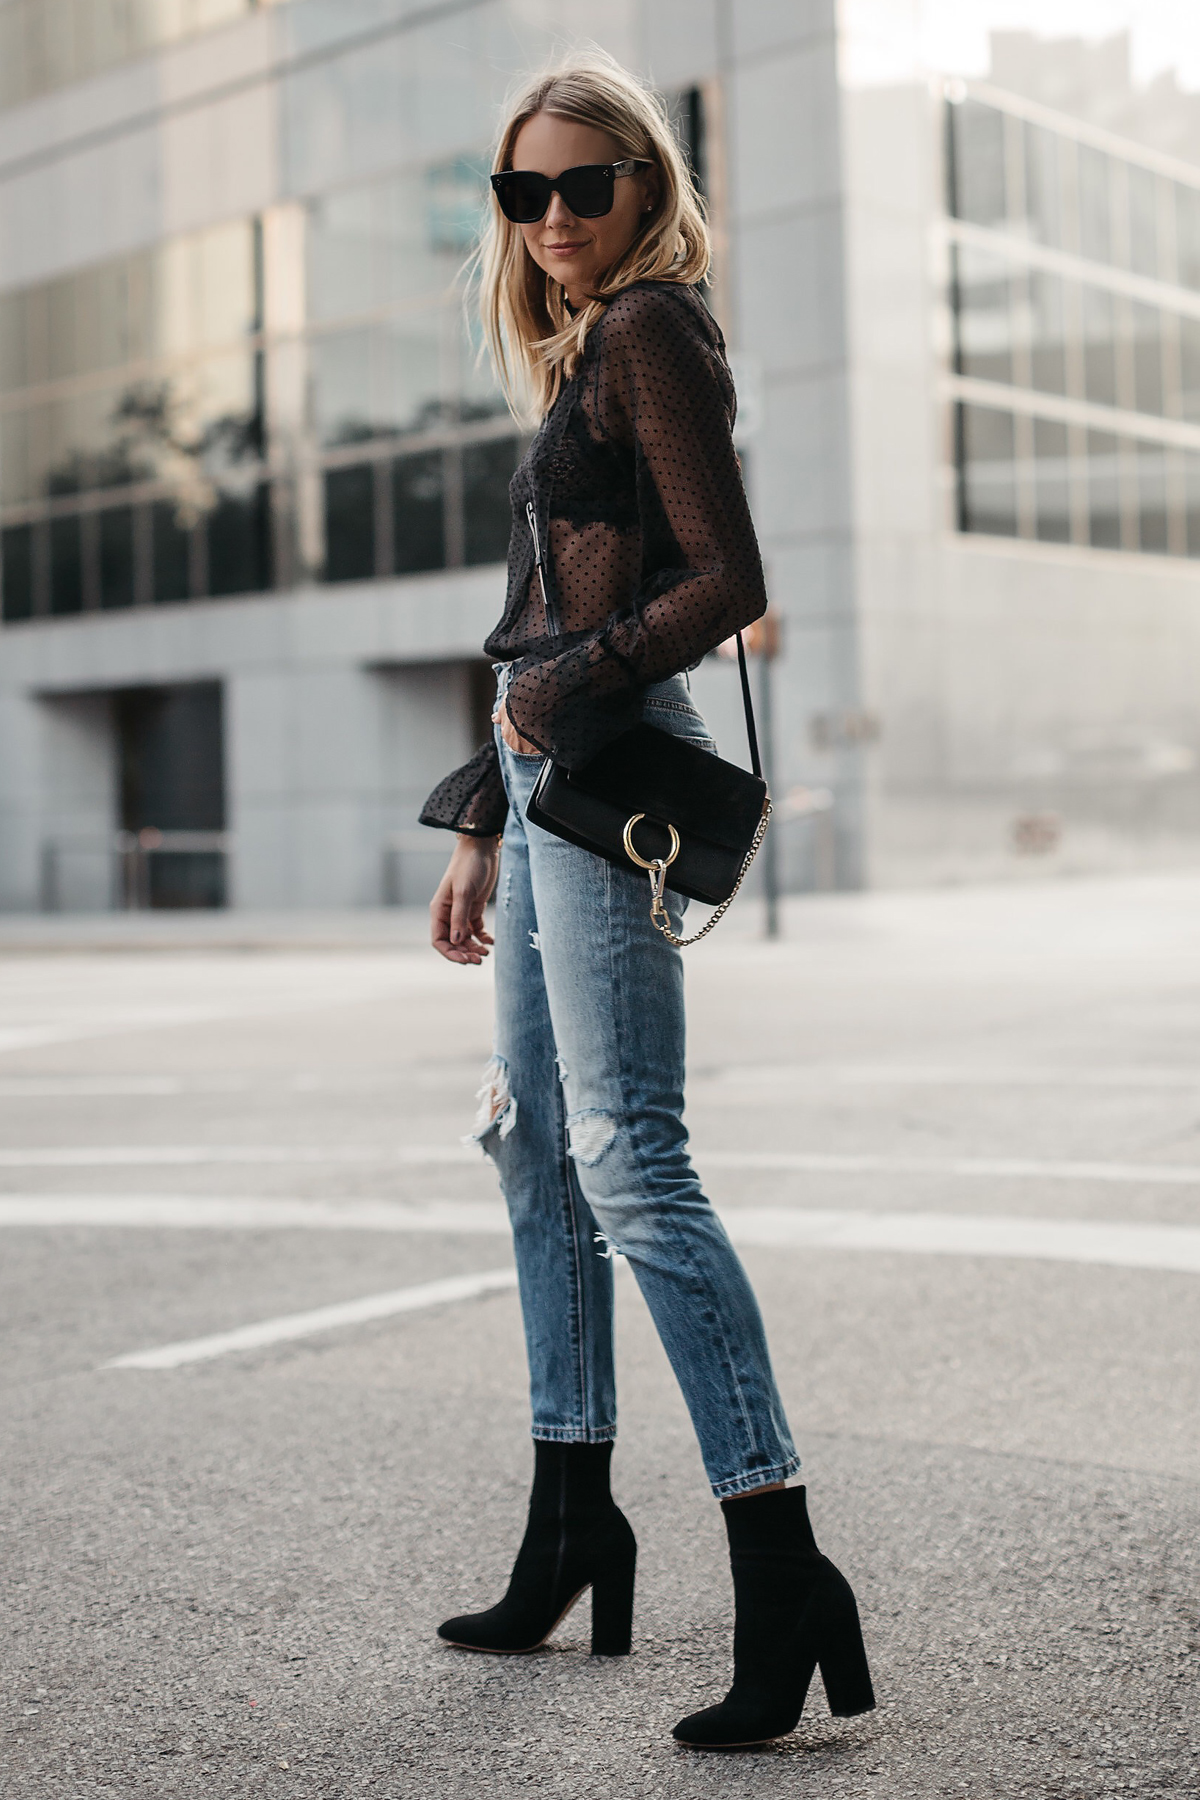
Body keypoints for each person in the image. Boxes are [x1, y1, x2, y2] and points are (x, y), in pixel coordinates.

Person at [420, 51, 874, 1749]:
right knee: (531, 1144)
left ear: (644, 184)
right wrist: (483, 801)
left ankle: (783, 1563)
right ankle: (570, 1520)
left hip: (604, 768)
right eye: (520, 192)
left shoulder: (652, 330)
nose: (548, 220)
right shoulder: (577, 350)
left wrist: (559, 702)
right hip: (546, 775)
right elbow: (529, 607)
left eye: (579, 187)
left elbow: (728, 581)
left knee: (629, 1153)